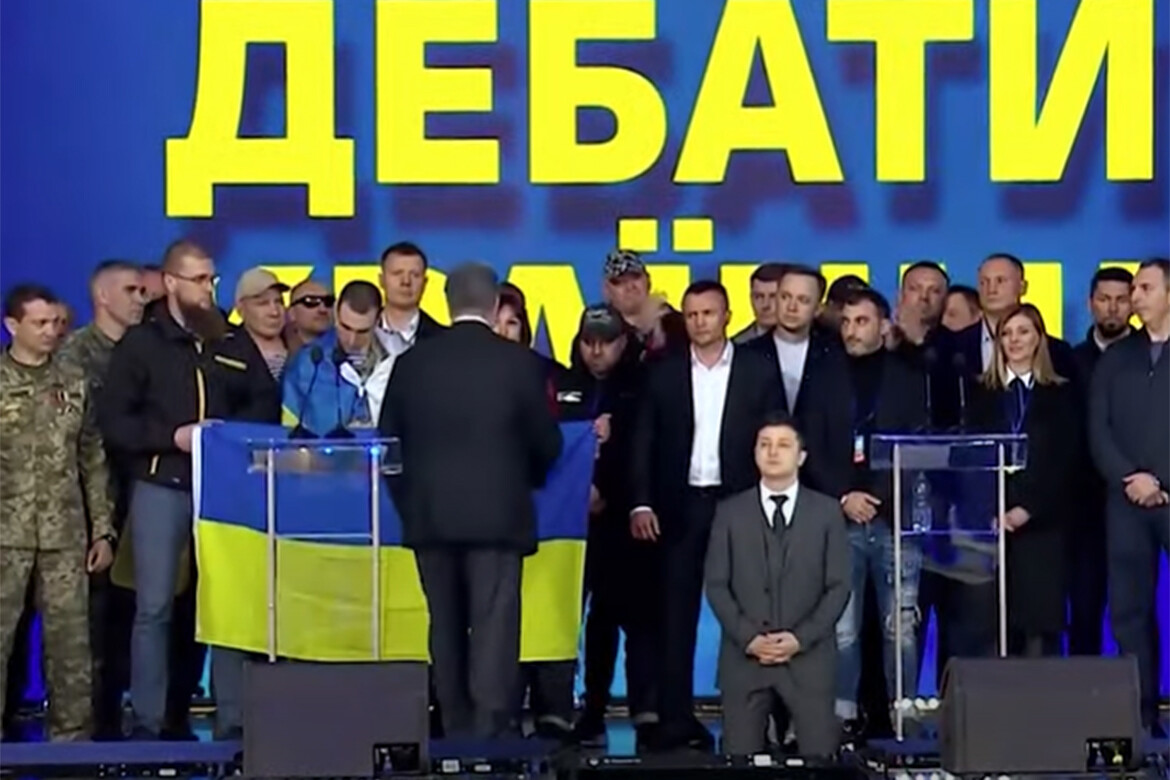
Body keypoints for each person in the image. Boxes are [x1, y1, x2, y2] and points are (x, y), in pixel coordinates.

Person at [100, 239, 280, 740]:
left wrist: (230, 434)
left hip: (224, 491)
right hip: (162, 485)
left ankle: (234, 719)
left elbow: (264, 403)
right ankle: (149, 720)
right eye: (199, 280)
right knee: (154, 606)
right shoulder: (142, 343)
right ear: (171, 282)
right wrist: (173, 437)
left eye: (212, 279)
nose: (208, 289)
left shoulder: (230, 339)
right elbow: (115, 421)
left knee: (229, 606)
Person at [379, 262, 563, 739]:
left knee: (444, 625)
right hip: (499, 519)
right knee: (494, 628)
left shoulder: (411, 364)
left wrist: (411, 505)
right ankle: (490, 733)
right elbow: (547, 444)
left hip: (429, 519)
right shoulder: (520, 363)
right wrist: (522, 482)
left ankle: (454, 730)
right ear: (495, 304)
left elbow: (388, 449)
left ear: (446, 303)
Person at [630, 280, 781, 751]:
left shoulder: (758, 370)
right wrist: (641, 502)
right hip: (680, 508)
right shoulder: (663, 373)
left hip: (741, 505)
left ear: (727, 316)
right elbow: (643, 441)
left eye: (708, 313)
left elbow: (776, 437)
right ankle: (676, 720)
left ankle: (752, 719)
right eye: (692, 314)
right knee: (675, 618)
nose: (699, 322)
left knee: (752, 613)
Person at [803, 289, 927, 735]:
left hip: (895, 519)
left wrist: (875, 496)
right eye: (847, 322)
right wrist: (844, 496)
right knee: (843, 631)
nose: (852, 330)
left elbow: (917, 443)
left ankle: (903, 717)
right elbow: (810, 446)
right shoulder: (822, 377)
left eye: (862, 321)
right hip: (839, 520)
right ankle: (843, 719)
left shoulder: (908, 378)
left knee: (901, 630)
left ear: (883, 325)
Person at [0, 284, 116, 740]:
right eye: (40, 323)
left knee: (71, 647)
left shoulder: (74, 380)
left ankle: (71, 746)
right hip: (4, 536)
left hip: (65, 535)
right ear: (13, 326)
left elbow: (92, 457)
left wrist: (102, 530)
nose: (51, 331)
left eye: (55, 322)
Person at [704, 414, 850, 757]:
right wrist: (750, 638)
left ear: (801, 456)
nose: (772, 452)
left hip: (809, 662)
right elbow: (716, 585)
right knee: (739, 761)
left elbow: (839, 587)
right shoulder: (729, 513)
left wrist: (800, 639)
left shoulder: (827, 512)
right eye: (764, 444)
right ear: (754, 452)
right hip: (744, 661)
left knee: (819, 763)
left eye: (783, 445)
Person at [559, 305, 659, 748]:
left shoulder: (642, 385)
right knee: (587, 620)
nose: (596, 351)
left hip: (627, 522)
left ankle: (646, 710)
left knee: (637, 618)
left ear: (623, 342)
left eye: (606, 342)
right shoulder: (562, 385)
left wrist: (612, 491)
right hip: (573, 523)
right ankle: (588, 709)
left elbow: (649, 451)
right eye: (589, 342)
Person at [57, 260, 148, 738]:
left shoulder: (148, 351)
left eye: (142, 291)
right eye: (130, 290)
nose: (140, 299)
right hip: (88, 509)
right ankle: (92, 731)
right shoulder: (74, 355)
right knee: (92, 625)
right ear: (103, 297)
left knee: (136, 619)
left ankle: (132, 723)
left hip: (141, 498)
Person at [968, 304, 1081, 657]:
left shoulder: (1061, 394)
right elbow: (969, 459)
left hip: (1043, 525)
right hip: (992, 525)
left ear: (1039, 339)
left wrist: (1027, 509)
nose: (1014, 340)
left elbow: (1066, 461)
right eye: (1006, 333)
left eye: (1023, 332)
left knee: (1040, 625)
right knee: (993, 625)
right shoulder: (980, 394)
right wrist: (992, 511)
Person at [1090, 258, 1170, 737]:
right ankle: (1140, 715)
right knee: (1128, 610)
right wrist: (1130, 478)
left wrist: (1162, 482)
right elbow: (1098, 427)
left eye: (1144, 288)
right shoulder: (1118, 357)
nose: (1134, 297)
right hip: (1126, 503)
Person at [1068, 267, 1133, 656]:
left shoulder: (1153, 357)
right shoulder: (1069, 361)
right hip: (1082, 505)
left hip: (1138, 499)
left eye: (1121, 299)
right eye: (1105, 299)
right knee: (1083, 605)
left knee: (1135, 608)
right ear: (1091, 303)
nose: (1112, 308)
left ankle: (1141, 688)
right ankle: (1081, 687)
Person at [283, 281, 395, 435]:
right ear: (336, 312)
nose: (352, 340)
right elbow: (288, 432)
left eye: (362, 332)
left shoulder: (397, 360)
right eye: (346, 327)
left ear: (378, 319)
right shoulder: (308, 364)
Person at [601, 249, 687, 360]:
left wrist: (659, 332)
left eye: (636, 277)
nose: (630, 286)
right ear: (607, 290)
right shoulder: (599, 327)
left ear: (648, 281)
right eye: (620, 282)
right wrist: (643, 334)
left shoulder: (676, 323)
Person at [376, 242, 445, 357]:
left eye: (415, 275)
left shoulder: (442, 339)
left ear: (425, 283)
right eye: (397, 273)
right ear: (381, 280)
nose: (406, 281)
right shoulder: (360, 330)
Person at [234, 268, 290, 384]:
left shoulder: (299, 348)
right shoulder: (228, 355)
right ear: (241, 309)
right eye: (263, 303)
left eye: (279, 301)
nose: (274, 312)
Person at [732, 263, 791, 344]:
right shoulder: (736, 346)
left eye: (773, 296)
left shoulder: (808, 342)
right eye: (759, 297)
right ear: (751, 299)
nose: (765, 305)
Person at [285, 279, 334, 354]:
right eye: (311, 301)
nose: (323, 309)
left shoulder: (346, 347)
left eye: (328, 302)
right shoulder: (277, 354)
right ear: (292, 313)